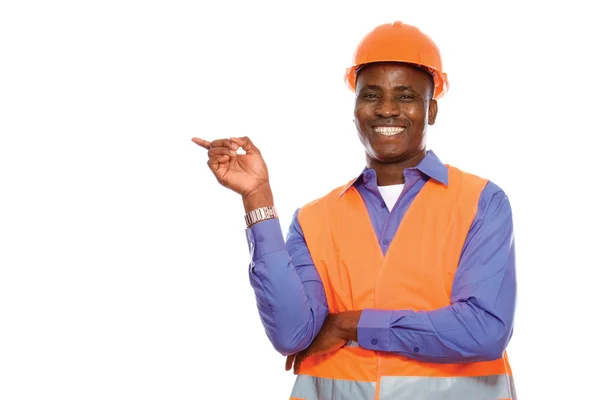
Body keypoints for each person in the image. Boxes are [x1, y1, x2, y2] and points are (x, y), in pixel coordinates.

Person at [193, 21, 517, 400]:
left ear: (431, 110)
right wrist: (258, 198)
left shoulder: (481, 201)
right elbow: (292, 334)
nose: (387, 110)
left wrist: (350, 325)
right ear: (355, 110)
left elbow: (484, 330)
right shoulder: (314, 219)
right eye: (371, 95)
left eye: (406, 96)